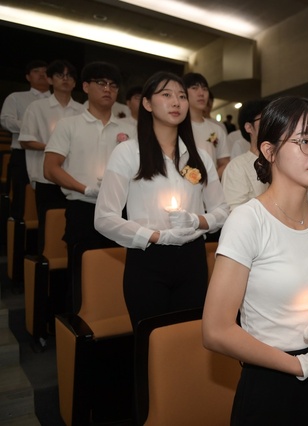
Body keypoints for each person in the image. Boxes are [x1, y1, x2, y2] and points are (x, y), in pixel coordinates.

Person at [202, 96, 308, 425]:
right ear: (269, 150)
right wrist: (298, 366)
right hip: (271, 380)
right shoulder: (248, 221)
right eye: (304, 141)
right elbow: (215, 330)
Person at [95, 71, 228, 330]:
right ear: (147, 103)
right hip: (147, 260)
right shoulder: (128, 153)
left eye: (181, 96)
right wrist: (157, 236)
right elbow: (104, 218)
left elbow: (222, 209)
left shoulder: (199, 155)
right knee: (150, 343)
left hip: (192, 260)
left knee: (188, 340)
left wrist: (198, 220)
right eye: (166, 95)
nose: (176, 102)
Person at [44, 61, 136, 306]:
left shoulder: (130, 128)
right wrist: (85, 188)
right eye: (101, 83)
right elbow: (50, 168)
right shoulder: (69, 125)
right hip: (83, 208)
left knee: (120, 276)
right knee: (82, 275)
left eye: (113, 85)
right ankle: (77, 328)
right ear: (85, 86)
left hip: (122, 210)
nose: (108, 89)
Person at [19, 60, 84, 254]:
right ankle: (43, 272)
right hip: (46, 178)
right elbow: (25, 140)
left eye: (70, 76)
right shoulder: (37, 107)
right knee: (48, 232)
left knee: (72, 229)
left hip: (74, 179)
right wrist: (56, 148)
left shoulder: (82, 111)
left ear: (75, 83)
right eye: (60, 75)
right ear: (50, 79)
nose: (65, 80)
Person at [1, 60, 50, 220]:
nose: (42, 74)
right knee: (21, 200)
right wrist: (34, 126)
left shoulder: (59, 103)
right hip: (23, 154)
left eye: (45, 71)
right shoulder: (16, 98)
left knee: (48, 203)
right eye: (37, 71)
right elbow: (7, 121)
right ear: (28, 77)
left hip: (52, 155)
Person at [221, 99, 271, 210]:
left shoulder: (285, 161)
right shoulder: (237, 167)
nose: (271, 124)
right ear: (249, 127)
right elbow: (236, 213)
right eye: (265, 119)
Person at [182, 73, 230, 177]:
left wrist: (211, 180)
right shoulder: (177, 127)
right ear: (183, 93)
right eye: (194, 88)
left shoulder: (217, 129)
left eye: (204, 89)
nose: (201, 93)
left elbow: (224, 162)